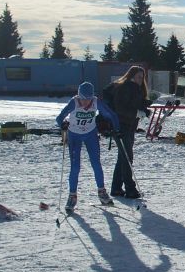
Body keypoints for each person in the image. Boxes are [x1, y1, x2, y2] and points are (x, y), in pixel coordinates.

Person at [56, 82, 120, 214]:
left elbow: (111, 115)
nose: (86, 102)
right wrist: (62, 124)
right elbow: (59, 117)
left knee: (96, 163)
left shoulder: (96, 102)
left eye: (89, 99)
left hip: (90, 135)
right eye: (84, 99)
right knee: (75, 166)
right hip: (74, 136)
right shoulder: (74, 102)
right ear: (79, 96)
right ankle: (72, 196)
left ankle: (102, 192)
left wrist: (116, 128)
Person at [108, 66, 151, 199]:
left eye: (142, 77)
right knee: (127, 157)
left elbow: (134, 104)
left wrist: (145, 108)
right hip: (120, 127)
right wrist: (136, 113)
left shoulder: (136, 89)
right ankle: (130, 188)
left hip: (129, 126)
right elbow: (120, 108)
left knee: (123, 157)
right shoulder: (125, 87)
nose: (140, 79)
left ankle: (116, 188)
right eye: (138, 77)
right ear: (131, 76)